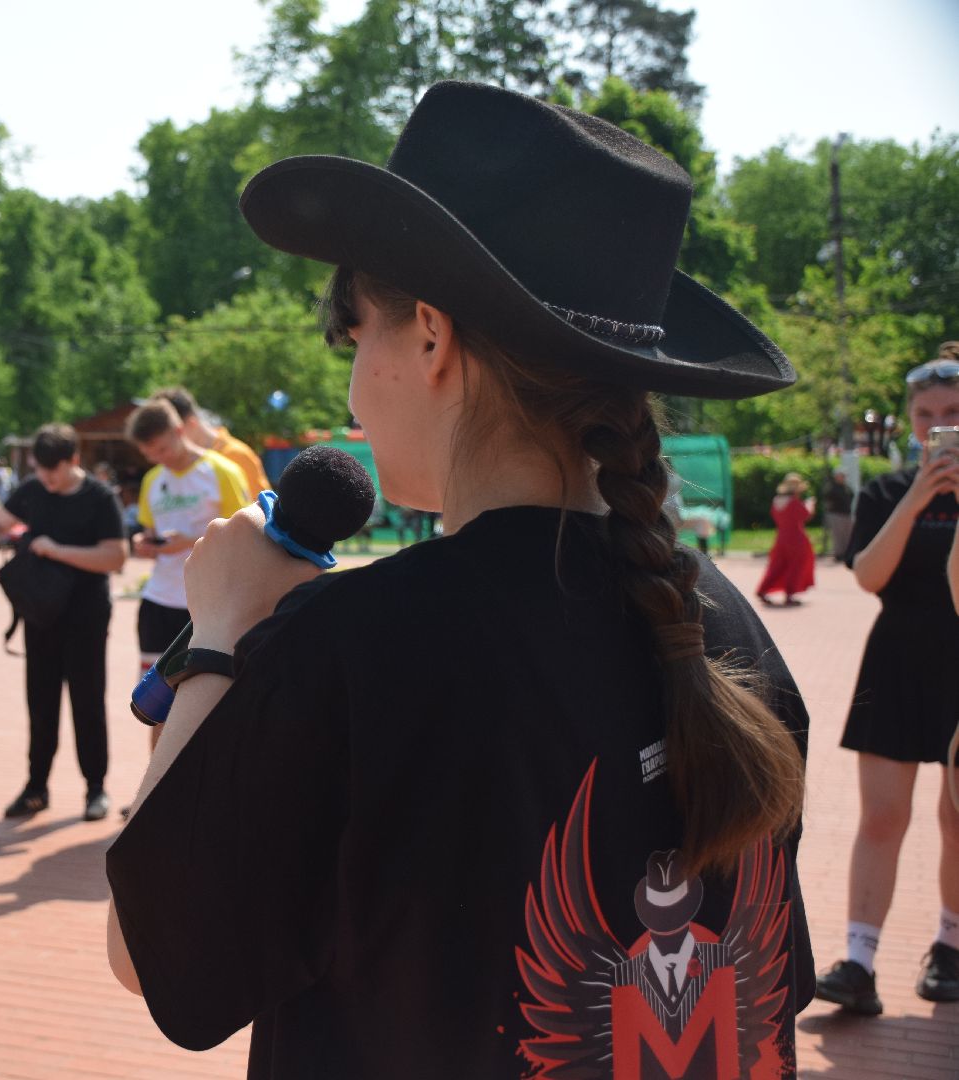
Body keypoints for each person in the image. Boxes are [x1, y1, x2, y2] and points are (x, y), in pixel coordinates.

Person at [105, 82, 812, 1076]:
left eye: (354, 337)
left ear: (431, 337)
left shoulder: (353, 646)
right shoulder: (725, 627)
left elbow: (147, 952)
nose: (351, 387)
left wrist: (217, 641)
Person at [813, 353, 959, 1014]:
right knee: (882, 814)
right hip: (897, 659)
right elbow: (870, 576)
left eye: (953, 415)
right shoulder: (887, 491)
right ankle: (859, 962)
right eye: (927, 416)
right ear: (908, 421)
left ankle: (950, 948)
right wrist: (919, 495)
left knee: (956, 819)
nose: (938, 428)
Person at [0, 423, 127, 822]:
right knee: (40, 703)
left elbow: (115, 557)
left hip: (86, 616)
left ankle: (96, 787)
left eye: (52, 471)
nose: (46, 479)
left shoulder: (99, 498)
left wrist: (57, 551)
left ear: (74, 461)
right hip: (41, 614)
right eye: (40, 471)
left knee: (87, 701)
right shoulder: (33, 489)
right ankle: (35, 787)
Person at [126, 399, 249, 729]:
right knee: (157, 710)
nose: (158, 458)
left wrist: (193, 541)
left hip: (208, 606)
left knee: (212, 706)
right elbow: (149, 530)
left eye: (163, 448)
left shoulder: (222, 471)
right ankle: (161, 780)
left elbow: (247, 537)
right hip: (159, 600)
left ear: (180, 430)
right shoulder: (153, 479)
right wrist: (144, 543)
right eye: (150, 454)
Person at [153, 387, 269, 499]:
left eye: (172, 434)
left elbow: (263, 510)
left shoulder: (237, 455)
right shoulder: (174, 463)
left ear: (191, 423)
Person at [755, 471, 816, 606]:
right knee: (796, 566)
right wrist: (810, 505)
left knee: (776, 565)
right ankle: (790, 593)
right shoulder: (794, 502)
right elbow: (805, 516)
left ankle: (763, 589)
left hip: (781, 537)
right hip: (796, 537)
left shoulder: (776, 501)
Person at [822, 470, 855, 561]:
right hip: (836, 513)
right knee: (837, 535)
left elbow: (852, 495)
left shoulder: (846, 487)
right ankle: (839, 554)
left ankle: (846, 552)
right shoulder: (831, 487)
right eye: (841, 476)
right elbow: (828, 498)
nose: (843, 478)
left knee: (847, 534)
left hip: (846, 513)